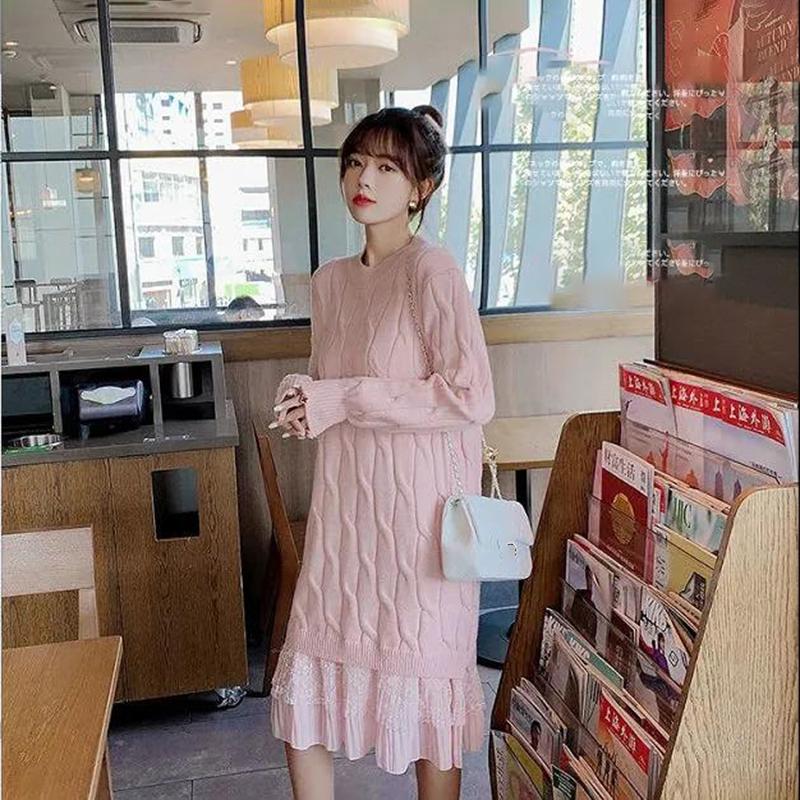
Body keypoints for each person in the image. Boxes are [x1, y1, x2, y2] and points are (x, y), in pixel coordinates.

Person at [268, 106, 495, 800]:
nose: (364, 178)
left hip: (419, 524)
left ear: (421, 187)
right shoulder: (331, 281)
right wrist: (306, 400)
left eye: (387, 167)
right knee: (306, 681)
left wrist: (345, 397)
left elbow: (470, 396)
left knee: (427, 694)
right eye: (356, 162)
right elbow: (336, 385)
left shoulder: (433, 271)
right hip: (344, 518)